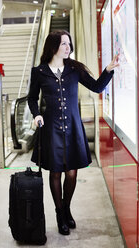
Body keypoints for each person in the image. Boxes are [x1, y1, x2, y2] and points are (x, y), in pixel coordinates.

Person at [28, 30, 119, 236]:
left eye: (69, 43)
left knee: (72, 173)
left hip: (73, 127)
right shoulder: (39, 71)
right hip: (51, 128)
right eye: (64, 44)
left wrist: (108, 70)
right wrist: (36, 115)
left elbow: (96, 87)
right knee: (56, 172)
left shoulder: (74, 69)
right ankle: (60, 214)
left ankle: (66, 207)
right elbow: (32, 98)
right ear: (53, 47)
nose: (68, 47)